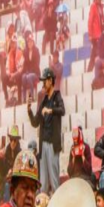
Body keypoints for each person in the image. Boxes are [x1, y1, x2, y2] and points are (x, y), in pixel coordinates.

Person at [27, 67, 65, 195]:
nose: (43, 84)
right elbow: (35, 122)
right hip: (43, 145)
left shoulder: (57, 96)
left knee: (54, 181)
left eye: (45, 81)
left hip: (53, 144)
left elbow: (62, 110)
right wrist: (29, 110)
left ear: (50, 81)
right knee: (43, 183)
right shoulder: (43, 101)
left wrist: (51, 110)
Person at [20, 33, 41, 104]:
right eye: (28, 42)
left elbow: (37, 64)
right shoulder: (25, 52)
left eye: (31, 41)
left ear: (33, 42)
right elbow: (25, 64)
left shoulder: (36, 51)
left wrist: (30, 72)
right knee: (23, 77)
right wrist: (26, 71)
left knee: (29, 77)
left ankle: (31, 97)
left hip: (36, 72)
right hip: (28, 72)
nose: (29, 43)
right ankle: (24, 98)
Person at [87, 0, 104, 72]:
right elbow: (90, 21)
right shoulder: (93, 6)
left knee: (94, 54)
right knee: (97, 53)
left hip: (100, 34)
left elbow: (102, 20)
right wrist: (90, 34)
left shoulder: (100, 6)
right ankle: (94, 71)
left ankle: (89, 70)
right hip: (95, 35)